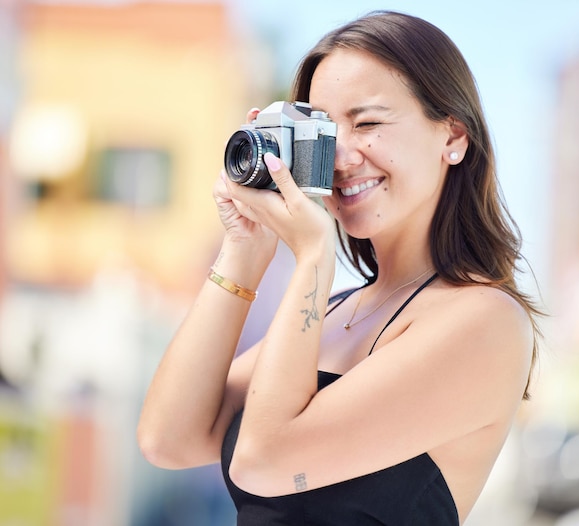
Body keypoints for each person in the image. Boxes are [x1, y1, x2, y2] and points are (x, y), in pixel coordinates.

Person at [137, 10, 542, 525]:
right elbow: (166, 440)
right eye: (324, 132)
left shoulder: (484, 320)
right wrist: (245, 249)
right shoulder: (333, 314)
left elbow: (264, 463)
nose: (342, 157)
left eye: (368, 123)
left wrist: (311, 258)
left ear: (453, 137)